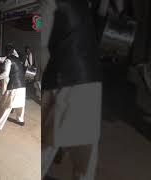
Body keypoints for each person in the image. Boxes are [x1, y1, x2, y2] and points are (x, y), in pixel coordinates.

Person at [42, 0, 102, 179]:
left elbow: (42, 48)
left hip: (64, 82)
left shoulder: (49, 3)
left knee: (46, 147)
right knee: (85, 156)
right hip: (91, 79)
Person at [0, 43, 26, 134]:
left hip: (13, 86)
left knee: (6, 106)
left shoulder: (8, 60)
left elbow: (5, 74)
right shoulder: (17, 58)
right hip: (22, 86)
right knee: (20, 104)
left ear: (6, 52)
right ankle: (20, 120)